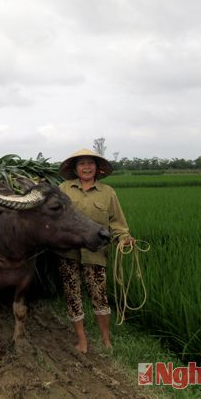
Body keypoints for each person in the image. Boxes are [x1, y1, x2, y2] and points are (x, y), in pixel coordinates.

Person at [57, 148, 135, 353]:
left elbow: (117, 222)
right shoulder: (64, 189)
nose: (86, 167)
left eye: (90, 163)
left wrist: (124, 237)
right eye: (81, 164)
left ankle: (105, 339)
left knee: (99, 295)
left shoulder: (107, 192)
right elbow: (54, 218)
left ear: (97, 168)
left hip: (96, 252)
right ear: (75, 168)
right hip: (68, 252)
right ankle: (82, 339)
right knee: (72, 295)